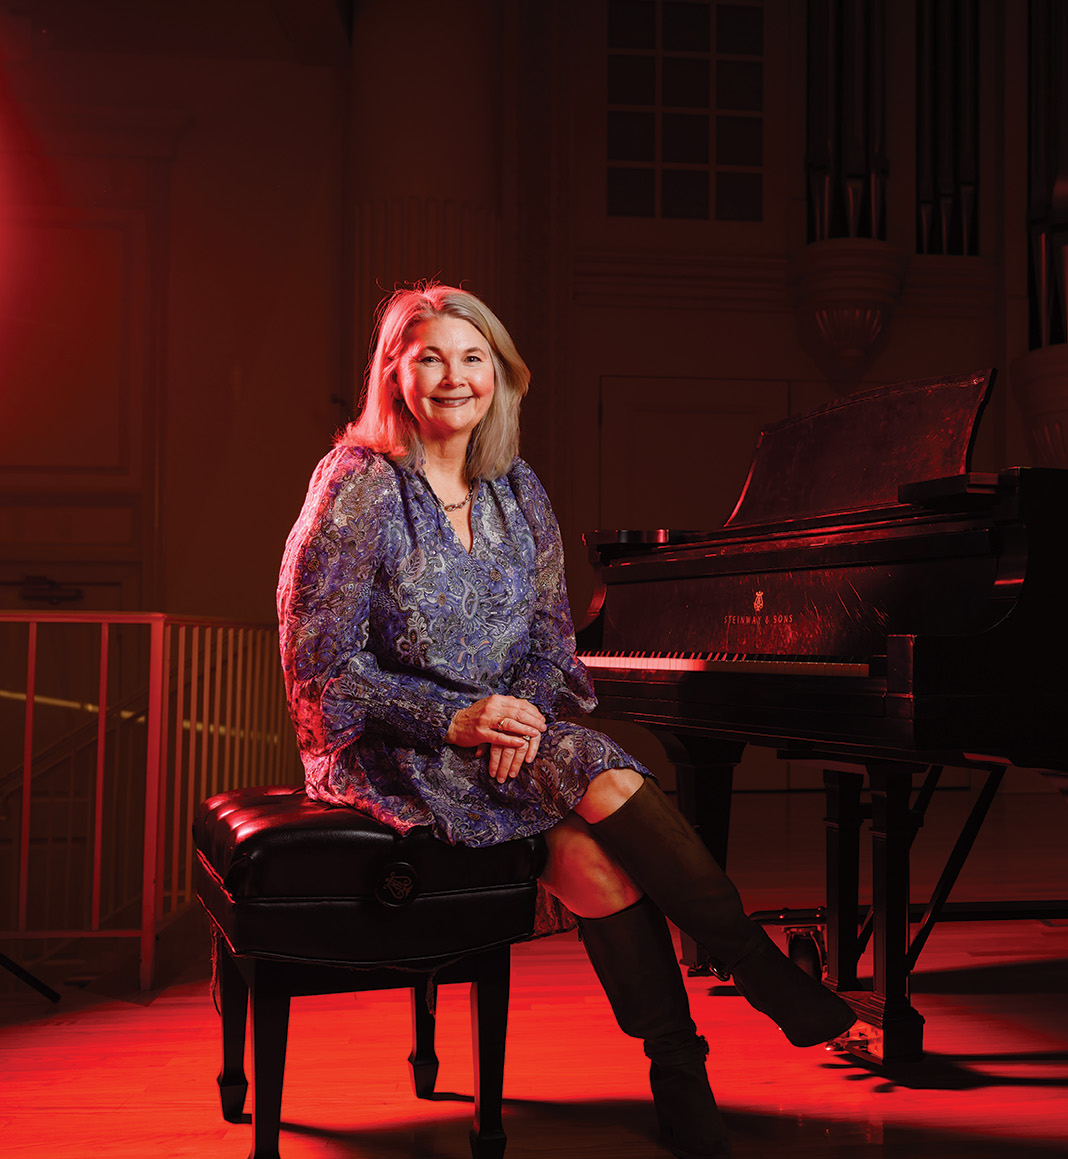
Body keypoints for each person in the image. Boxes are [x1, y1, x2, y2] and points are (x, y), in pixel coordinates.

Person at [277, 283, 856, 1159]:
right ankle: (722, 1006)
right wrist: (456, 718)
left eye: (473, 358)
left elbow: (553, 644)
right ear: (394, 372)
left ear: (501, 377)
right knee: (595, 842)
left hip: (515, 741)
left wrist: (514, 724)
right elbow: (316, 670)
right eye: (429, 355)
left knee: (600, 795)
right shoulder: (358, 487)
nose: (453, 376)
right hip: (395, 748)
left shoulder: (516, 488)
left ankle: (703, 1027)